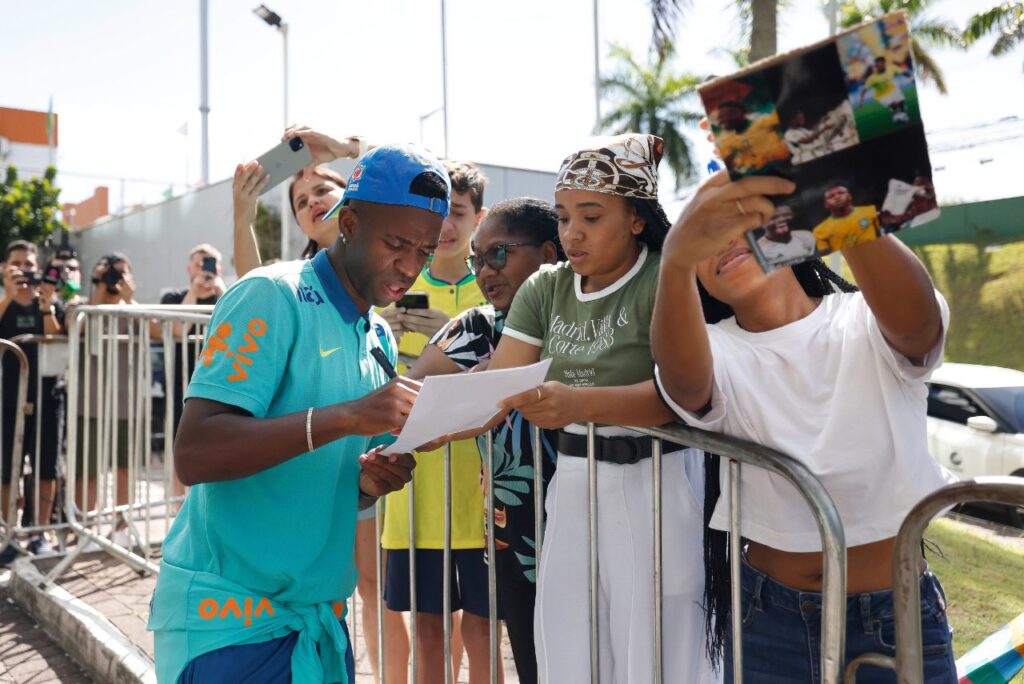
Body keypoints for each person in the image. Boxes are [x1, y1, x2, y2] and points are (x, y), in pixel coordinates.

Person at [146, 143, 446, 684]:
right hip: (231, 627)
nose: (410, 265)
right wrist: (347, 417)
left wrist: (370, 483)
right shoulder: (269, 295)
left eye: (425, 250)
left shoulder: (375, 333)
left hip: (318, 624)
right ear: (349, 222)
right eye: (396, 243)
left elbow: (320, 475)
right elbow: (195, 454)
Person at [650, 168, 957, 681]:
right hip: (767, 620)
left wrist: (834, 198)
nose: (726, 243)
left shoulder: (864, 316)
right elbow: (682, 384)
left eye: (746, 221)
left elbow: (918, 326)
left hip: (895, 615)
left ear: (788, 227)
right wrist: (675, 261)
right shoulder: (715, 349)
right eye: (707, 236)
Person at [456, 134, 715, 683]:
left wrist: (579, 402)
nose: (571, 232)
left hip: (660, 482)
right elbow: (502, 383)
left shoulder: (665, 278)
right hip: (573, 481)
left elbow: (682, 395)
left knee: (660, 653)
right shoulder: (546, 288)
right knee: (572, 651)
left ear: (637, 219)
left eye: (591, 217)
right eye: (563, 216)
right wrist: (432, 423)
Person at [234, 128, 409, 684]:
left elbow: (403, 181)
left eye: (324, 192)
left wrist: (344, 149)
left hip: (364, 457)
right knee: (330, 588)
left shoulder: (383, 255)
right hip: (312, 458)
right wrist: (242, 217)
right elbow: (248, 283)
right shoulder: (288, 284)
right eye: (299, 200)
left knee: (374, 585)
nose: (312, 202)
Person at [407, 197, 564, 684]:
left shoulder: (587, 325)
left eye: (499, 254)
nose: (483, 271)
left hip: (595, 524)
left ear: (549, 253)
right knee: (536, 667)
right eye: (477, 259)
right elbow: (410, 401)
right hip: (514, 535)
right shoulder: (479, 326)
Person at [379, 160, 494, 684]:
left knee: (484, 630)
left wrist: (452, 340)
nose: (446, 224)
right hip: (414, 488)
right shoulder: (393, 285)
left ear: (479, 218)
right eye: (438, 211)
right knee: (428, 627)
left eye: (458, 212)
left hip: (479, 489)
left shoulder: (497, 289)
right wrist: (382, 329)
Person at [0, 240, 64, 564]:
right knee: (7, 469)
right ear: (5, 267)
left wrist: (45, 305)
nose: (24, 269)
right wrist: (9, 295)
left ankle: (40, 533)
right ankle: (7, 534)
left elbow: (59, 336)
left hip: (49, 396)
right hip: (9, 398)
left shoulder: (50, 298)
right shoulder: (4, 301)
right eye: (17, 263)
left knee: (45, 465)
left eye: (29, 263)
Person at [232, 129, 367, 278]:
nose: (312, 201)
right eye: (301, 203)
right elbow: (254, 291)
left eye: (322, 190)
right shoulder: (295, 282)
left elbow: (396, 159)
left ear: (347, 194)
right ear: (301, 227)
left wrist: (349, 148)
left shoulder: (387, 247)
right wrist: (242, 220)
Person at [74, 254, 138, 547]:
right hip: (90, 402)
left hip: (125, 403)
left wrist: (131, 298)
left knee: (124, 468)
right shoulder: (83, 306)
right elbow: (81, 325)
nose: (114, 280)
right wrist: (99, 287)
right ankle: (86, 527)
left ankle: (122, 528)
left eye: (119, 274)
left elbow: (154, 331)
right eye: (109, 275)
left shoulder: (135, 309)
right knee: (88, 469)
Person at [714, 100, 790, 174]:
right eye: (720, 117)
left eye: (724, 116)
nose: (720, 120)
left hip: (782, 164)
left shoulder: (762, 122)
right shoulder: (726, 140)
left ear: (739, 113)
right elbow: (725, 164)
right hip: (759, 174)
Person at [812, 184, 881, 253]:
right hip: (846, 262)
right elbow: (827, 257)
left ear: (850, 196)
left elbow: (882, 236)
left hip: (876, 256)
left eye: (841, 193)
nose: (837, 197)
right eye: (831, 196)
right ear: (826, 204)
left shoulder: (870, 211)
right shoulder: (819, 230)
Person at [860, 55, 909, 124]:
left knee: (902, 104)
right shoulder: (872, 78)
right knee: (894, 104)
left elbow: (903, 72)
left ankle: (901, 116)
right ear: (876, 66)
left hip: (892, 90)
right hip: (881, 95)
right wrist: (861, 102)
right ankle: (896, 117)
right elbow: (864, 90)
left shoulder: (891, 68)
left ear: (884, 63)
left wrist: (911, 78)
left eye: (881, 64)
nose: (879, 67)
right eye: (877, 65)